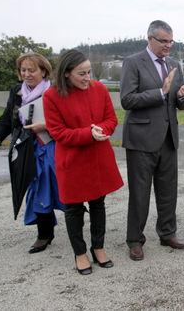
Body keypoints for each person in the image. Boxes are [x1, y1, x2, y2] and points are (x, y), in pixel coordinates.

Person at [43, 49, 123, 275]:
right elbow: (57, 133)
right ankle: (80, 253)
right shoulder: (51, 96)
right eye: (82, 73)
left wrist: (102, 130)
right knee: (73, 208)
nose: (88, 77)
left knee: (98, 204)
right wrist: (89, 133)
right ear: (67, 73)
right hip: (72, 160)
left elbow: (111, 119)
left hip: (98, 157)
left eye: (89, 72)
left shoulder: (100, 89)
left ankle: (98, 247)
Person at [120, 20, 184, 261]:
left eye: (171, 41)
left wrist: (182, 96)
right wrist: (161, 92)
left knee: (168, 190)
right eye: (164, 41)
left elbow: (179, 104)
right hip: (141, 139)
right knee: (140, 193)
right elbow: (127, 100)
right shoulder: (133, 62)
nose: (168, 46)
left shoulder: (173, 64)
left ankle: (167, 233)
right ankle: (135, 240)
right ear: (149, 39)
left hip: (168, 138)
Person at [0, 53, 64, 253]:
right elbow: (7, 120)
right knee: (36, 187)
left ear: (43, 71)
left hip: (51, 146)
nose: (26, 74)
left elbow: (68, 119)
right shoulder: (16, 92)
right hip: (26, 148)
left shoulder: (55, 91)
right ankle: (44, 233)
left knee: (55, 186)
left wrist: (47, 125)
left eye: (31, 70)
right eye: (23, 70)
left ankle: (73, 226)